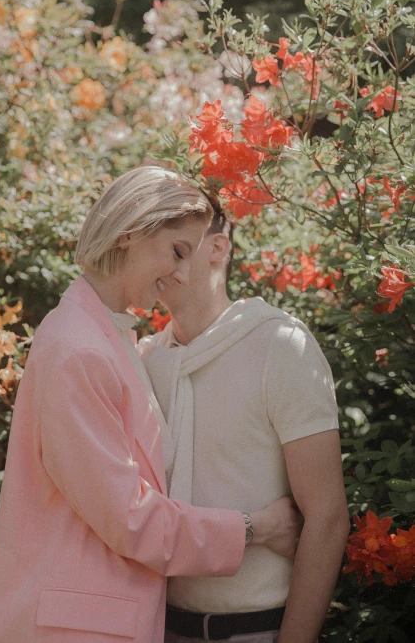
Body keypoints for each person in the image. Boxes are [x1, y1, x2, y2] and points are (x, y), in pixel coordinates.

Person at [0, 167, 302, 643]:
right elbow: (132, 519)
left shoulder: (112, 338)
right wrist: (257, 529)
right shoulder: (78, 350)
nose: (184, 274)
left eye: (191, 257)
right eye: (176, 251)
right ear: (130, 231)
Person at [139, 199, 350, 643]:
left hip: (259, 629)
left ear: (218, 248)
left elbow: (327, 517)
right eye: (153, 250)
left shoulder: (280, 344)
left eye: (178, 250)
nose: (163, 264)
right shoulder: (146, 361)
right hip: (155, 628)